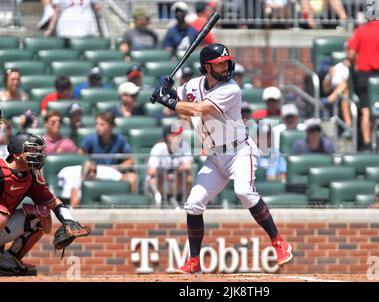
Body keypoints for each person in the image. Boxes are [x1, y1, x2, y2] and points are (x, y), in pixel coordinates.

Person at [150, 43, 293, 274]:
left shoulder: (231, 89)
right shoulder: (194, 84)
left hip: (239, 152)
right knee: (193, 204)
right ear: (207, 67)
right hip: (214, 157)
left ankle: (279, 242)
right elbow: (178, 96)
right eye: (219, 64)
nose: (226, 67)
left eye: (226, 62)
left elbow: (196, 109)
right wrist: (164, 88)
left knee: (244, 192)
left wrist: (167, 100)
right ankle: (194, 260)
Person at [0, 131, 89, 276]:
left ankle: (7, 261)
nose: (37, 154)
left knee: (41, 214)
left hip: (3, 225)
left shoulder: (32, 177)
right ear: (16, 154)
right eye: (31, 150)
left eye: (38, 150)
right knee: (2, 213)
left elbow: (54, 202)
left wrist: (69, 221)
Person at [347, 18, 379, 151]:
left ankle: (367, 144)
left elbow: (351, 55)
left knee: (366, 111)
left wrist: (351, 66)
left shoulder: (360, 32)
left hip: (364, 77)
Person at [78, 112, 137, 193]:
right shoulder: (90, 139)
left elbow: (130, 160)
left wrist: (117, 168)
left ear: (111, 126)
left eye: (102, 124)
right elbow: (80, 156)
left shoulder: (119, 139)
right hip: (95, 174)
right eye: (97, 124)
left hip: (113, 173)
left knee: (132, 178)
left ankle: (131, 204)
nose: (98, 127)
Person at [147, 125, 193, 209]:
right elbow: (151, 171)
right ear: (168, 137)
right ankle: (157, 202)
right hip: (161, 178)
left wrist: (175, 172)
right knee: (152, 179)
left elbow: (188, 166)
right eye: (176, 135)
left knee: (188, 177)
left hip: (176, 179)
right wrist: (165, 174)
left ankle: (187, 203)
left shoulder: (184, 145)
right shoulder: (159, 147)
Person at [57, 160, 125, 208]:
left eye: (94, 171)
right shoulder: (76, 190)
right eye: (89, 172)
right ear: (83, 173)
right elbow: (73, 208)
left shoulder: (102, 185)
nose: (92, 174)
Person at [321, 58, 352, 133]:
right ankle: (348, 124)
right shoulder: (336, 68)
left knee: (345, 90)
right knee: (344, 92)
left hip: (347, 91)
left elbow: (346, 82)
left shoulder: (349, 68)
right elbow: (325, 89)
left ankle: (330, 99)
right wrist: (330, 76)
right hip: (336, 91)